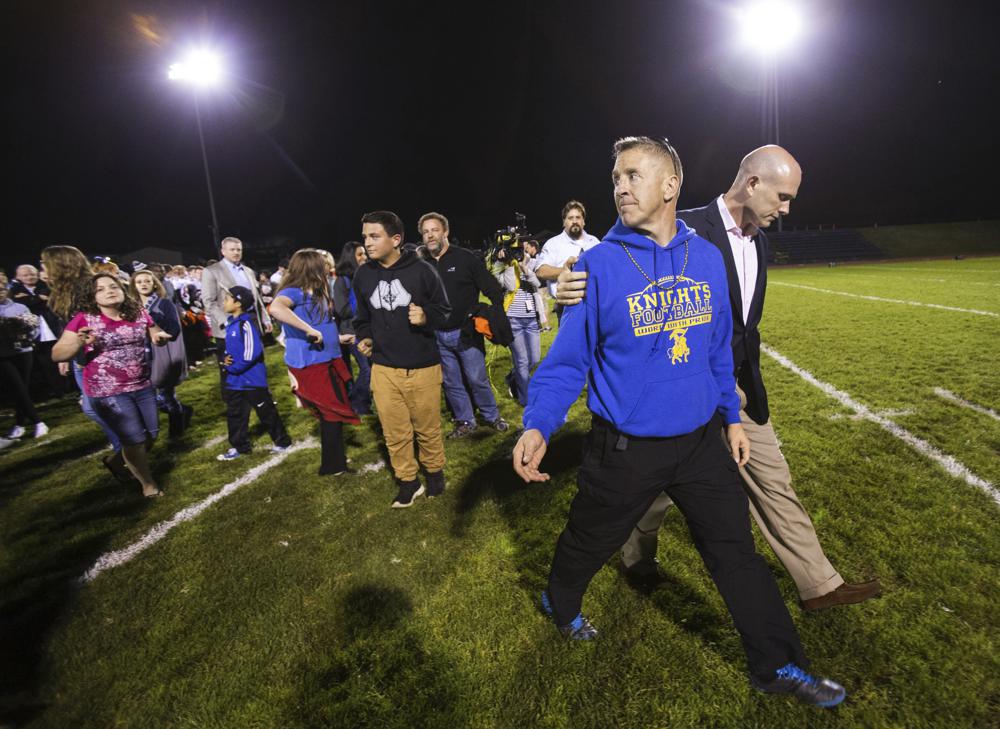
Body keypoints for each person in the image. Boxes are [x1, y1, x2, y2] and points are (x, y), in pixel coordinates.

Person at [513, 136, 845, 708]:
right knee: (588, 543)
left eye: (634, 175)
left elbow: (719, 351)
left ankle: (779, 665)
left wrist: (731, 418)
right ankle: (560, 602)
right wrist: (539, 423)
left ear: (671, 186)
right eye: (616, 176)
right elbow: (567, 362)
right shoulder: (597, 266)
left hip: (699, 446)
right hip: (625, 448)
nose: (620, 186)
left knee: (735, 553)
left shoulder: (707, 257)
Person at [554, 145, 881, 612]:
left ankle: (820, 584)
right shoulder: (684, 226)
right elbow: (619, 244)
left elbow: (745, 327)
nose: (786, 209)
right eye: (783, 196)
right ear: (752, 184)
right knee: (654, 492)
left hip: (736, 393)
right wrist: (570, 281)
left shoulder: (760, 240)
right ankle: (635, 558)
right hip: (676, 388)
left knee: (773, 480)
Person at [353, 211, 451, 508]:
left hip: (422, 366)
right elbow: (362, 319)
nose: (368, 243)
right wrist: (366, 337)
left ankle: (434, 474)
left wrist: (425, 317)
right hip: (383, 368)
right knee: (394, 432)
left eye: (374, 236)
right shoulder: (363, 274)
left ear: (395, 240)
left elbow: (445, 312)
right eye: (365, 237)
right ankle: (408, 481)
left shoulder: (422, 271)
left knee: (427, 428)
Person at [52, 273, 172, 497]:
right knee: (134, 440)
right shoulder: (84, 319)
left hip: (142, 385)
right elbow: (57, 354)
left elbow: (153, 330)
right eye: (101, 289)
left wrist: (159, 336)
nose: (109, 290)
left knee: (151, 436)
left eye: (113, 286)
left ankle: (116, 463)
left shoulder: (137, 311)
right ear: (92, 296)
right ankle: (148, 485)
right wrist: (79, 342)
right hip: (107, 391)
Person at [42, 245, 132, 482]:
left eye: (45, 263)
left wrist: (83, 355)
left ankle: (126, 457)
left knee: (106, 408)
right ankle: (124, 455)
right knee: (95, 409)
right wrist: (68, 354)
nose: (42, 268)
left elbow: (104, 320)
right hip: (80, 356)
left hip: (100, 355)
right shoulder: (59, 292)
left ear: (60, 264)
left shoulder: (91, 286)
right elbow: (69, 327)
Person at [419, 212, 509, 438]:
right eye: (426, 232)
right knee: (451, 383)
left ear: (445, 232)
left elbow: (493, 289)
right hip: (437, 335)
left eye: (434, 230)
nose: (430, 235)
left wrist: (493, 314)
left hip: (466, 333)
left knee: (476, 378)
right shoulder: (422, 265)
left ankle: (491, 416)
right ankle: (466, 421)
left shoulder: (465, 258)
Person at [269, 250, 359, 476]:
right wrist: (309, 330)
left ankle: (334, 461)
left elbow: (320, 323)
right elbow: (276, 308)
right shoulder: (295, 292)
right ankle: (333, 466)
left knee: (333, 413)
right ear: (311, 268)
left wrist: (336, 338)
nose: (328, 269)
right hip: (312, 363)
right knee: (331, 413)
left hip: (327, 358)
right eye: (323, 266)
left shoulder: (316, 291)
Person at [215, 287, 291, 461]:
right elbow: (232, 351)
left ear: (238, 303)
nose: (224, 302)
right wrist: (226, 359)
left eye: (227, 299)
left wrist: (232, 367)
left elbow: (252, 352)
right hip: (235, 381)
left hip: (251, 380)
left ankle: (282, 441)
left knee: (266, 412)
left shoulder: (246, 323)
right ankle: (239, 446)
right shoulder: (231, 323)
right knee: (235, 414)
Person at [130, 270, 192, 437]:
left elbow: (174, 329)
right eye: (139, 282)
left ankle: (177, 427)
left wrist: (153, 319)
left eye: (147, 281)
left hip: (163, 353)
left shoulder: (164, 304)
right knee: (148, 396)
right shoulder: (131, 307)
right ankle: (182, 411)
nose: (143, 284)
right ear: (134, 286)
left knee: (165, 394)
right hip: (141, 354)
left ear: (154, 284)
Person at [491, 241, 542, 407]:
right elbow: (511, 286)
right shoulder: (501, 268)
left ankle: (512, 378)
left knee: (534, 358)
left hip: (532, 320)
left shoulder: (532, 263)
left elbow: (537, 283)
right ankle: (526, 399)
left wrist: (524, 267)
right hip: (513, 319)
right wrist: (508, 264)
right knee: (521, 361)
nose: (519, 253)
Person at [0, 272, 48, 445]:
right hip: (3, 355)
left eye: (3, 288)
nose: (0, 291)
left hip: (24, 352)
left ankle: (19, 424)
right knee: (17, 388)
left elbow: (34, 331)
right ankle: (38, 422)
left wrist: (25, 330)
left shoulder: (20, 308)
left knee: (22, 388)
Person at [533, 201, 601, 324]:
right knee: (572, 343)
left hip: (595, 303)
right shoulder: (554, 243)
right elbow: (540, 270)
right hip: (567, 306)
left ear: (583, 221)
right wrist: (565, 271)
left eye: (578, 217)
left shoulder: (594, 241)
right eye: (570, 218)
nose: (574, 221)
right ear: (564, 222)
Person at [201, 237, 273, 345]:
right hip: (229, 324)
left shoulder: (248, 271)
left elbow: (256, 297)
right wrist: (226, 320)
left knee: (257, 356)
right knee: (234, 360)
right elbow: (208, 301)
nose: (236, 252)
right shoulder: (211, 271)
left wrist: (265, 318)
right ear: (223, 251)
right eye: (232, 249)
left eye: (239, 250)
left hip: (252, 320)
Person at [9, 264, 66, 398]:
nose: (30, 277)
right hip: (34, 333)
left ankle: (66, 388)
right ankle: (52, 391)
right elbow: (21, 304)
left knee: (60, 358)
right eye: (25, 275)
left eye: (32, 274)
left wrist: (30, 299)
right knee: (42, 363)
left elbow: (51, 302)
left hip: (53, 327)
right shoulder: (15, 290)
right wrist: (38, 298)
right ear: (18, 277)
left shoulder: (47, 286)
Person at [333, 241, 372, 415]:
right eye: (360, 254)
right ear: (351, 258)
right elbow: (342, 310)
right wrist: (364, 303)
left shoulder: (365, 275)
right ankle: (357, 403)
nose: (364, 257)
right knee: (367, 369)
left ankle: (363, 402)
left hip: (368, 329)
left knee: (373, 368)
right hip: (352, 332)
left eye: (364, 253)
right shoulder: (342, 281)